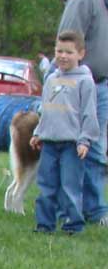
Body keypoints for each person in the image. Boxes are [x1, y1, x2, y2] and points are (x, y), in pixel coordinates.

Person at [31, 30, 99, 234]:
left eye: (69, 52)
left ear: (81, 54)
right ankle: (44, 225)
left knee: (70, 188)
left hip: (72, 144)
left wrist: (85, 140)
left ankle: (73, 225)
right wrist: (37, 132)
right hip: (49, 143)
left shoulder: (85, 81)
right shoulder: (51, 79)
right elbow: (45, 109)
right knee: (45, 186)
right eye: (59, 51)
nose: (63, 56)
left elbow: (89, 114)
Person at [58, 0, 108, 227]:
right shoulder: (85, 0)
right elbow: (65, 43)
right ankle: (65, 208)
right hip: (76, 87)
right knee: (66, 147)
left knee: (97, 148)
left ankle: (95, 209)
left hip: (103, 86)